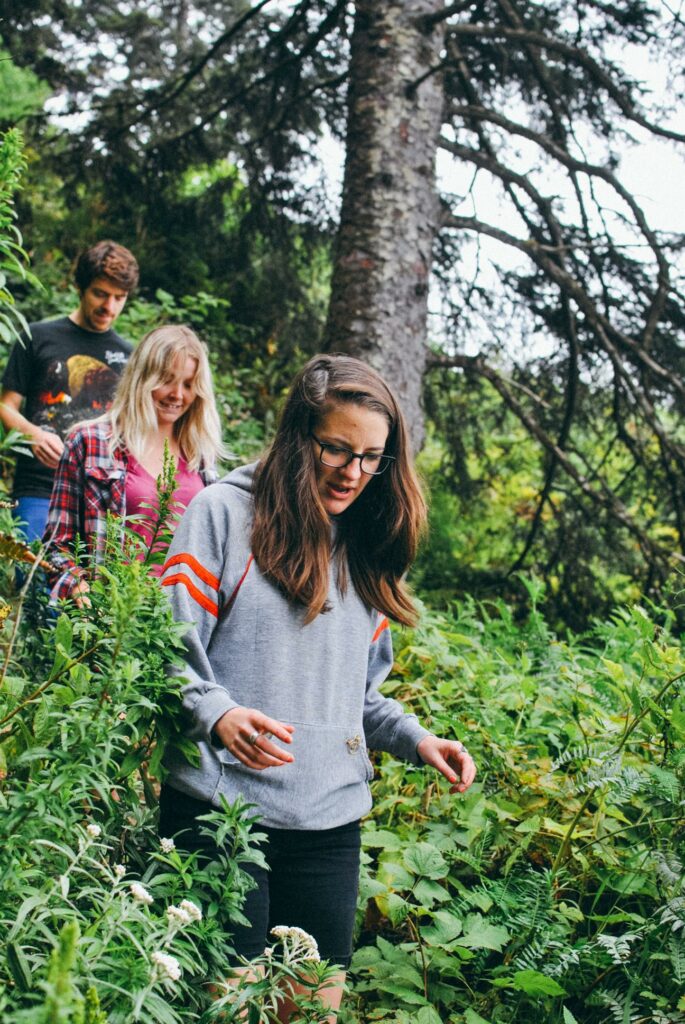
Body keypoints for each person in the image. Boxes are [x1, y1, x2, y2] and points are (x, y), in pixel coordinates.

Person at [158, 353, 477, 1022]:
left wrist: (416, 739)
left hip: (326, 821)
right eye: (336, 449)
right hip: (222, 815)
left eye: (371, 458)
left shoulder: (365, 540)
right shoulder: (221, 514)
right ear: (298, 435)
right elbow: (164, 649)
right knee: (235, 1012)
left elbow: (356, 694)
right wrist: (217, 714)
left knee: (309, 1015)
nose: (353, 473)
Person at [43, 324, 224, 603]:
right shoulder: (91, 442)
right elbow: (57, 544)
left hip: (177, 624)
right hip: (111, 618)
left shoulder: (200, 457)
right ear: (143, 378)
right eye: (167, 380)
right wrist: (79, 589)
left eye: (188, 384)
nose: (178, 394)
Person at [0, 240, 139, 547]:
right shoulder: (38, 336)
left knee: (92, 590)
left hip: (100, 496)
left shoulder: (130, 356)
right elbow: (5, 405)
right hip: (39, 489)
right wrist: (33, 434)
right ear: (80, 288)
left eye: (119, 298)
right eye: (100, 294)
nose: (109, 307)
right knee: (35, 581)